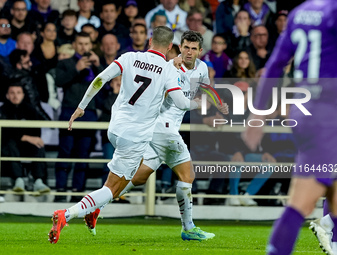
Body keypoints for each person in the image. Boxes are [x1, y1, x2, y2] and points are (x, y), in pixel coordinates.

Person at [48, 26, 202, 244]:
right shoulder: (168, 70)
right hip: (135, 136)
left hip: (115, 129)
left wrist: (82, 106)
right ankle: (68, 214)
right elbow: (180, 103)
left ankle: (94, 209)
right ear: (170, 47)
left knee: (134, 178)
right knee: (112, 188)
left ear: (150, 41)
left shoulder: (129, 57)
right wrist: (197, 103)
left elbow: (100, 79)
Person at [83, 30, 228, 240]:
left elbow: (205, 89)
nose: (188, 52)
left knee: (140, 176)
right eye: (185, 47)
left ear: (200, 51)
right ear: (179, 48)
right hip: (163, 128)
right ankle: (188, 228)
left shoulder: (203, 68)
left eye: (193, 48)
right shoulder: (169, 67)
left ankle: (98, 204)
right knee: (187, 176)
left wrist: (217, 104)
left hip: (161, 130)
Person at [242, 1, 337, 254]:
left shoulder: (301, 12)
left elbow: (274, 65)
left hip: (307, 111)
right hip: (329, 115)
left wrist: (257, 115)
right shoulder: (336, 11)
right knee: (300, 204)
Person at [53, 32, 103, 202]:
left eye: (87, 44)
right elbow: (58, 81)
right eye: (80, 44)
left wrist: (98, 66)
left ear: (91, 45)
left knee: (83, 154)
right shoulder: (66, 63)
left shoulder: (97, 65)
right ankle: (60, 190)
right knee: (65, 152)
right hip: (69, 110)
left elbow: (110, 84)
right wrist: (76, 69)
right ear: (74, 45)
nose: (83, 47)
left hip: (89, 113)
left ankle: (77, 192)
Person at [0, 81, 50, 194]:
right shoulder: (3, 110)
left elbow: (36, 132)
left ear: (23, 94)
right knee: (10, 143)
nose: (15, 96)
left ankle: (38, 181)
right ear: (7, 95)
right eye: (12, 93)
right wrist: (25, 137)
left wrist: (28, 138)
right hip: (9, 148)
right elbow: (6, 133)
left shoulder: (30, 109)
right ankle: (19, 180)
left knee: (38, 144)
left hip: (26, 147)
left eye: (18, 92)